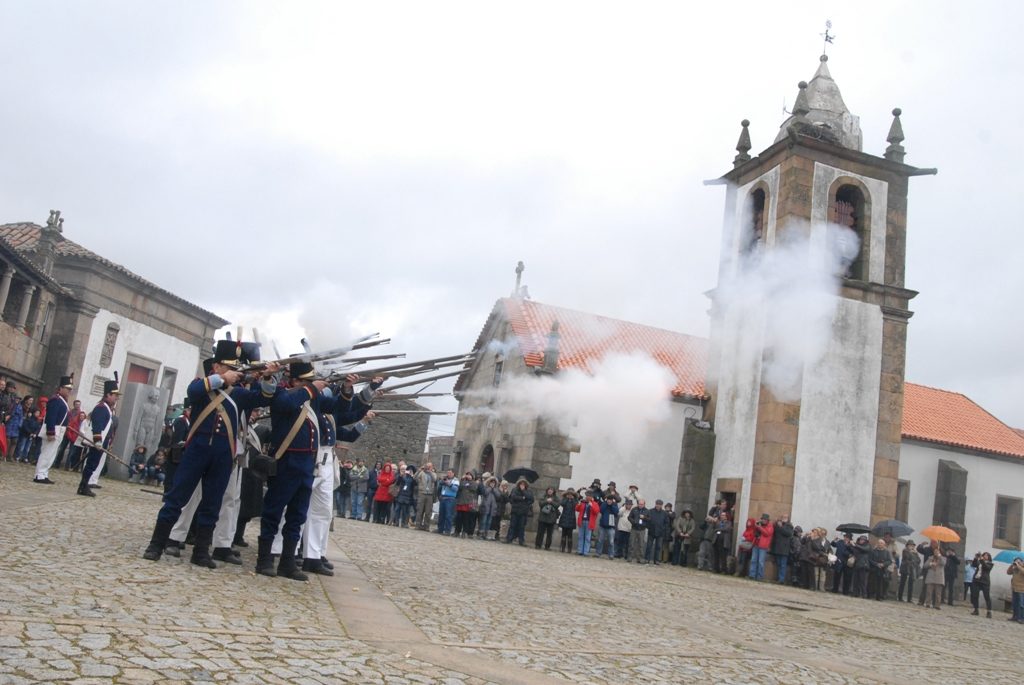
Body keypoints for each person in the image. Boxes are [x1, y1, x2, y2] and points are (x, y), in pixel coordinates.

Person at [143, 344, 280, 566]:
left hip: (223, 454)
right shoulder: (202, 386)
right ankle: (156, 544)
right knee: (176, 498)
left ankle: (201, 552)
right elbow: (194, 391)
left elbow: (264, 398)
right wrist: (223, 378)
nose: (233, 371)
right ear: (216, 366)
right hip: (196, 450)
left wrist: (267, 377)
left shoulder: (239, 395)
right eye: (227, 367)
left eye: (234, 369)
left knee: (213, 503)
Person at [77, 383, 119, 497]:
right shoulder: (101, 408)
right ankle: (83, 485)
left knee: (94, 464)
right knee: (91, 464)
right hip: (98, 441)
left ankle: (84, 485)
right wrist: (98, 441)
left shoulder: (107, 409)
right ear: (107, 395)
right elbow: (97, 426)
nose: (116, 398)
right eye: (114, 395)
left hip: (101, 441)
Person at [34, 376, 74, 484]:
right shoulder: (55, 400)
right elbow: (51, 417)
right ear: (61, 388)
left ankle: (44, 473)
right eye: (67, 388)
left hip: (59, 429)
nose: (69, 391)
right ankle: (39, 475)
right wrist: (50, 432)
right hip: (53, 429)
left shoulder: (61, 400)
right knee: (47, 453)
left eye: (70, 389)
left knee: (51, 453)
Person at [505, 477, 534, 546]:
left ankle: (521, 541)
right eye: (521, 483)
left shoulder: (528, 491)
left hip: (524, 511)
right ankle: (509, 539)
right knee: (512, 525)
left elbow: (531, 499)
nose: (522, 485)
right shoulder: (515, 489)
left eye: (523, 484)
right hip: (515, 510)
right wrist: (522, 498)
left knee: (521, 527)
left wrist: (523, 491)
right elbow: (512, 497)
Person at [575, 491, 600, 556]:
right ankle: (580, 550)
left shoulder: (595, 503)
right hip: (582, 521)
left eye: (589, 496)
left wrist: (591, 506)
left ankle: (585, 552)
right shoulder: (583, 502)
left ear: (591, 497)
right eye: (587, 496)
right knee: (581, 536)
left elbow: (596, 512)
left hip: (589, 522)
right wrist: (579, 504)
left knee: (587, 538)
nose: (587, 497)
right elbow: (577, 509)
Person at [413, 462, 436, 530]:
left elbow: (434, 480)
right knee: (420, 510)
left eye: (430, 466)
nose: (428, 468)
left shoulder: (433, 474)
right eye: (427, 466)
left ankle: (426, 526)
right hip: (422, 493)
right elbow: (414, 478)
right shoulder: (422, 473)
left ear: (432, 467)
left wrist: (430, 472)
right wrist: (419, 470)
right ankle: (418, 525)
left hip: (430, 494)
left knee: (428, 511)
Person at [970, 552, 994, 618]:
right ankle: (976, 609)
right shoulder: (979, 562)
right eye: (984, 555)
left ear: (989, 557)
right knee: (975, 595)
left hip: (985, 582)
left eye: (986, 555)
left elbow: (986, 567)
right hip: (977, 580)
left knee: (987, 596)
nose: (985, 556)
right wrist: (975, 558)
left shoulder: (990, 563)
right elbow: (973, 565)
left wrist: (981, 560)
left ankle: (989, 611)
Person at [645, 500, 669, 565]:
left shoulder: (664, 513)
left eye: (660, 504)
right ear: (655, 504)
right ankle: (647, 559)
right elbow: (646, 520)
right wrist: (649, 527)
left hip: (660, 533)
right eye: (657, 504)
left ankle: (657, 560)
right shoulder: (650, 511)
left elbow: (667, 523)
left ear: (661, 505)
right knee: (649, 546)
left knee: (658, 547)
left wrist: (663, 529)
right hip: (651, 531)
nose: (658, 505)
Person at [393, 465, 417, 529]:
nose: (409, 471)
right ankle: (396, 522)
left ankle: (404, 523)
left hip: (408, 496)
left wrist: (412, 476)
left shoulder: (413, 478)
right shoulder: (403, 476)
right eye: (408, 470)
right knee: (397, 509)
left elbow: (415, 484)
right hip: (401, 494)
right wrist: (401, 475)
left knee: (405, 511)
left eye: (411, 470)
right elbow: (397, 483)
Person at [436, 469, 459, 535]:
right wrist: (442, 481)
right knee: (441, 514)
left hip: (450, 499)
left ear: (453, 474)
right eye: (447, 472)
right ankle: (440, 529)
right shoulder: (445, 479)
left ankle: (447, 530)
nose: (448, 474)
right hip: (443, 497)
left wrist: (449, 483)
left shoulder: (456, 480)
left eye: (450, 473)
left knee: (448, 515)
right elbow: (439, 485)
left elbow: (455, 489)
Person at [627, 499, 649, 563]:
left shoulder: (647, 511)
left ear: (644, 504)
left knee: (641, 545)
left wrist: (644, 517)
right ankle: (630, 557)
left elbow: (649, 519)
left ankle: (640, 558)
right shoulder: (634, 509)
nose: (640, 505)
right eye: (639, 504)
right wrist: (633, 522)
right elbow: (629, 517)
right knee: (631, 543)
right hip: (634, 528)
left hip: (642, 529)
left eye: (642, 504)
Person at [924, 545, 946, 609]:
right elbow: (925, 565)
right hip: (931, 576)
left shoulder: (943, 558)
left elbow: (944, 563)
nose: (935, 552)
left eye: (937, 551)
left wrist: (940, 556)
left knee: (938, 593)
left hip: (939, 577)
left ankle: (937, 605)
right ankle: (928, 603)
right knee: (929, 592)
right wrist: (930, 564)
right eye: (935, 551)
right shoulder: (930, 558)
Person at [557, 488, 578, 553]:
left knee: (569, 535)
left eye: (571, 494)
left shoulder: (575, 500)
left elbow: (576, 506)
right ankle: (562, 548)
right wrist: (566, 498)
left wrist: (572, 499)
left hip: (571, 519)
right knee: (563, 534)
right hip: (564, 518)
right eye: (569, 494)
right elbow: (562, 504)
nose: (570, 495)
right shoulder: (564, 499)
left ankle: (569, 549)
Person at [1007, 557, 1024, 624]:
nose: (1017, 563)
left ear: (1022, 562)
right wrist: (1012, 565)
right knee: (1014, 604)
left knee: (1021, 605)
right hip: (1014, 588)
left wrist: (1019, 566)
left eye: (1019, 561)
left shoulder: (1022, 568)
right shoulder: (1014, 568)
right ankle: (1015, 617)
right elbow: (1008, 572)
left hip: (1022, 589)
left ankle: (1022, 618)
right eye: (1016, 561)